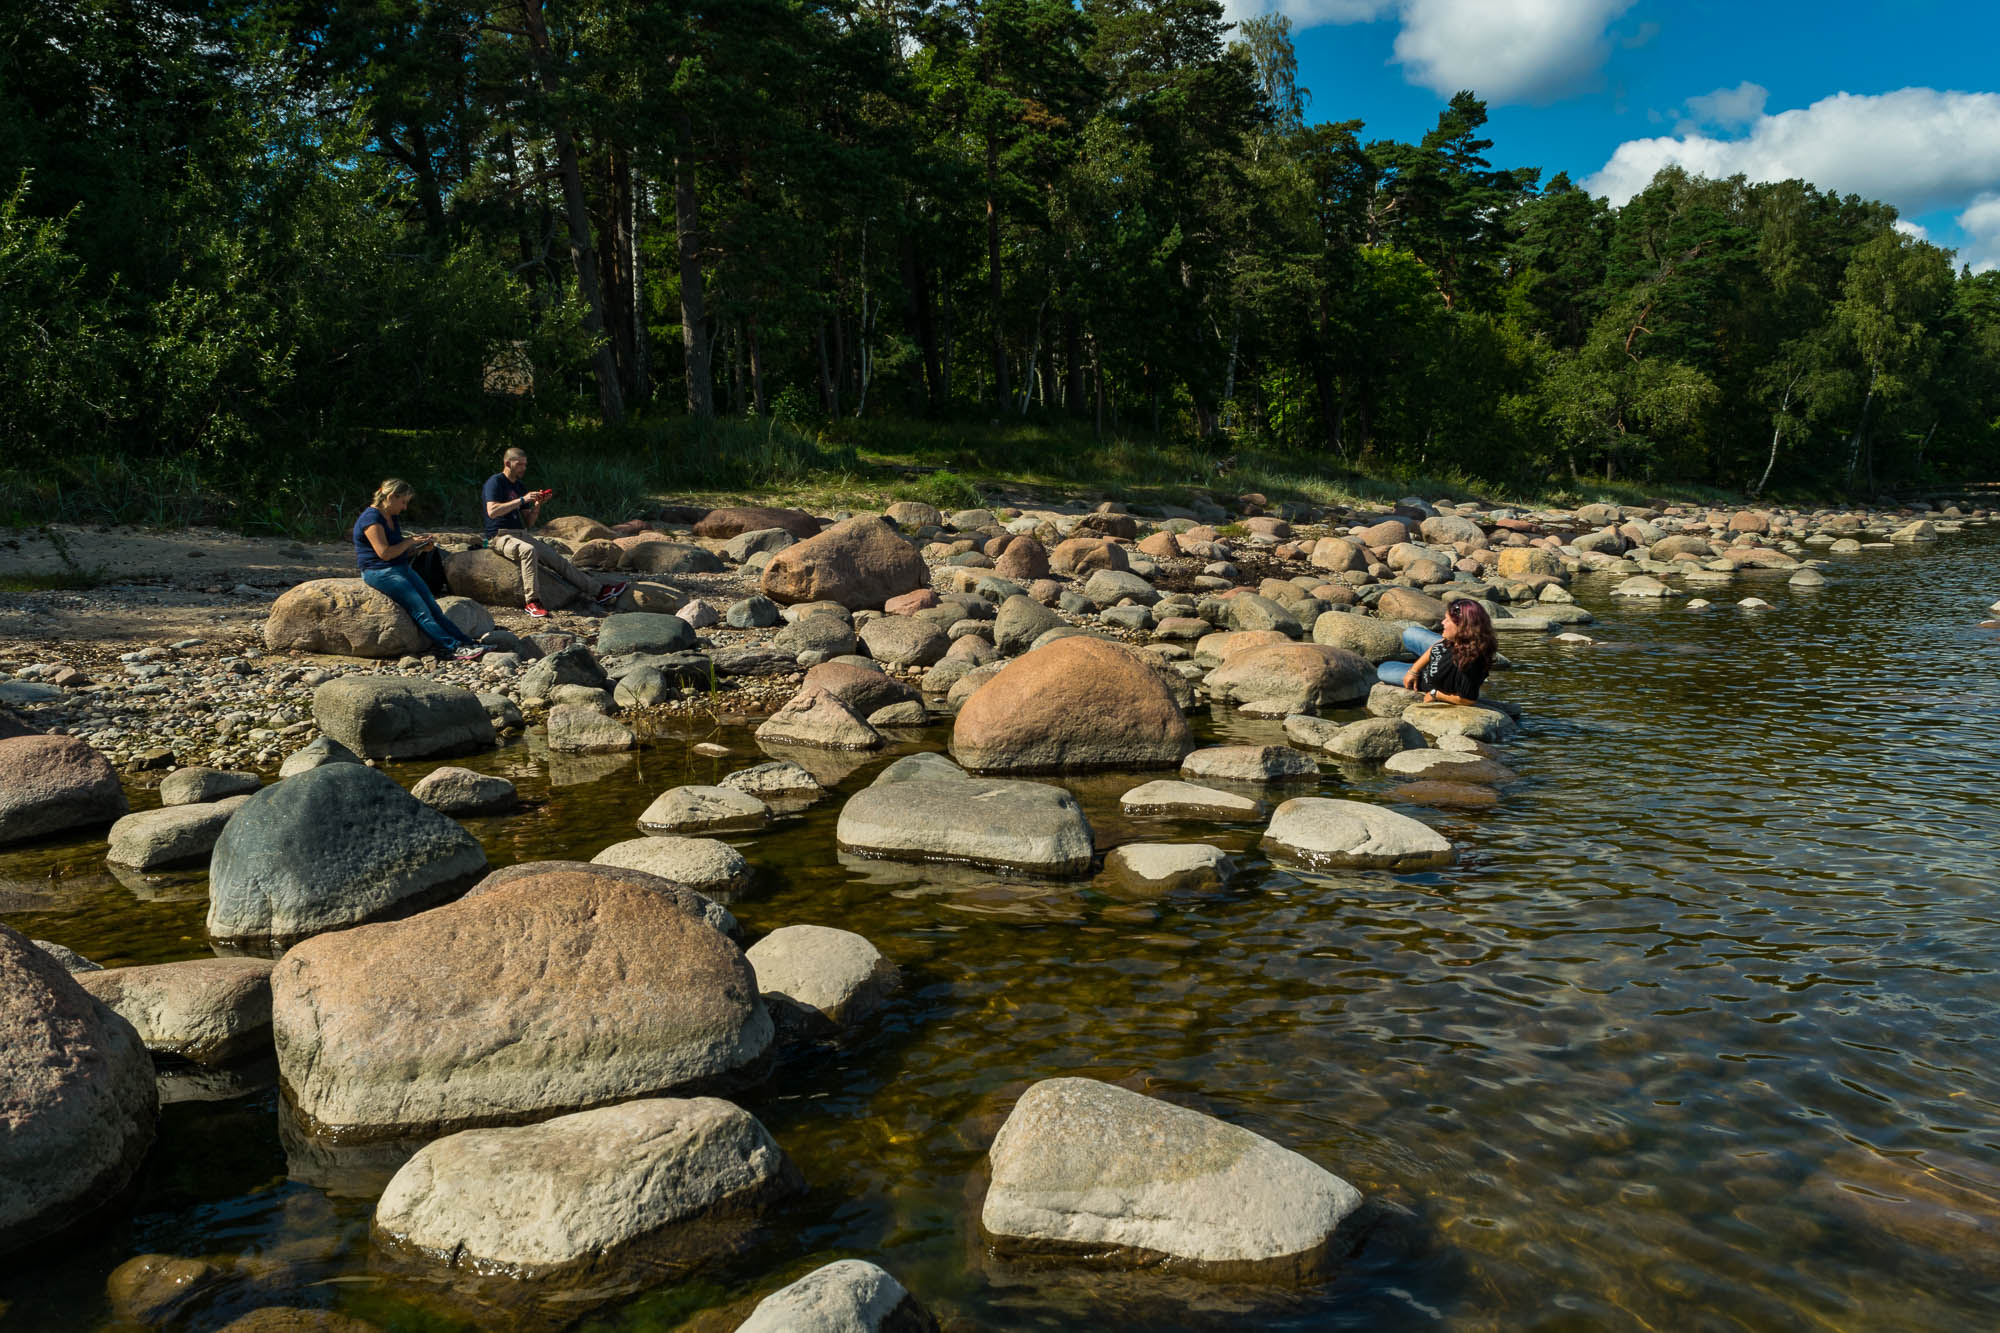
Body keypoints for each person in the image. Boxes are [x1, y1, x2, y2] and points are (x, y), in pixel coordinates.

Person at [482, 447, 627, 618]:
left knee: (556, 558)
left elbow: (529, 522)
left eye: (525, 465)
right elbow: (492, 511)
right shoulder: (495, 482)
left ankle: (599, 591)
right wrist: (522, 499)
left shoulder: (519, 486)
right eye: (520, 464)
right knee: (528, 551)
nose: (524, 468)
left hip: (520, 533)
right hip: (500, 536)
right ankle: (532, 602)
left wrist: (537, 504)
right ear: (507, 463)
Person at [354, 480, 487, 661]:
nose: (405, 507)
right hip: (378, 571)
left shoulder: (391, 516)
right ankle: (453, 647)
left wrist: (419, 548)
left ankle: (467, 642)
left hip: (398, 566)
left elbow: (398, 550)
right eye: (403, 502)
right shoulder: (371, 519)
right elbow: (384, 553)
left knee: (433, 607)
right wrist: (409, 541)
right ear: (391, 497)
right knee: (420, 610)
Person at [1378, 597, 1497, 704]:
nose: (1442, 623)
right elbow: (1436, 648)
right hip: (1430, 666)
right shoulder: (1456, 640)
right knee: (1410, 633)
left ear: (1462, 627)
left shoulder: (1470, 662)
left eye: (1447, 620)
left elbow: (1467, 700)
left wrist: (1435, 694)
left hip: (1427, 679)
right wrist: (1414, 670)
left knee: (1383, 669)